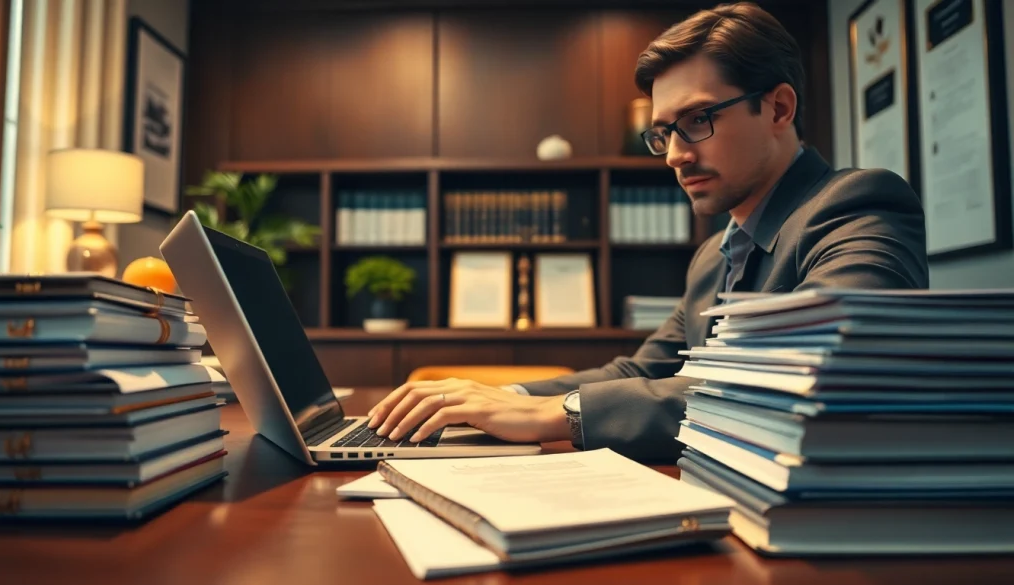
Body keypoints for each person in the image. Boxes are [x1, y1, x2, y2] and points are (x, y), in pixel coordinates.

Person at [365, 2, 929, 460]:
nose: (676, 156)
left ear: (778, 107)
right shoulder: (714, 255)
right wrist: (500, 397)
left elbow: (821, 370)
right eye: (664, 133)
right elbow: (640, 372)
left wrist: (557, 414)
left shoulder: (856, 205)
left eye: (698, 121)